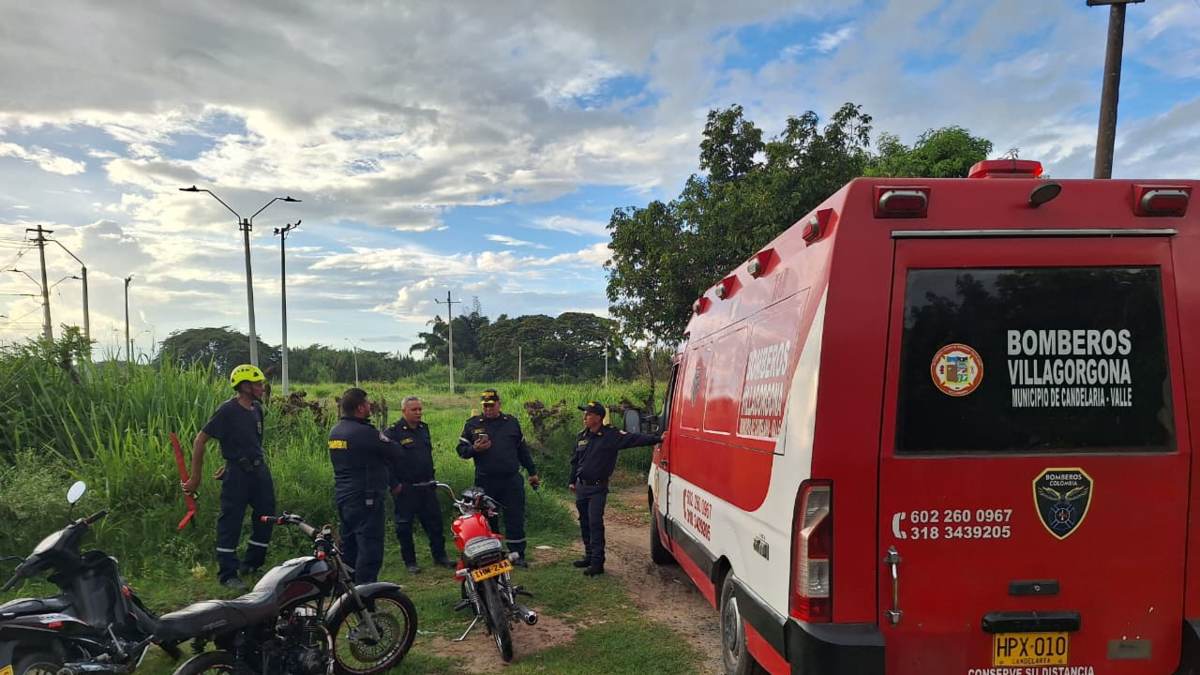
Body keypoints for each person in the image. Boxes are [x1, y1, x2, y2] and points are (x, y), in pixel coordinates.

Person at [183, 364, 277, 591]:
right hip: (238, 476)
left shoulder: (257, 409)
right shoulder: (227, 410)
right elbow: (200, 441)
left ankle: (252, 564)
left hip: (258, 470)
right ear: (244, 386)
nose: (262, 388)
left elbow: (253, 441)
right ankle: (228, 573)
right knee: (231, 520)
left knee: (266, 515)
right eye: (257, 384)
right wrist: (196, 477)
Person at [569, 401, 661, 576]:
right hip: (582, 486)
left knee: (595, 523)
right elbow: (575, 461)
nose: (584, 417)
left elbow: (635, 438)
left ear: (598, 417)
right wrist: (572, 481)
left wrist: (658, 438)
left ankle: (597, 562)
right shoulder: (582, 436)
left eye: (588, 414)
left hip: (597, 488)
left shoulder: (610, 435)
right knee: (585, 522)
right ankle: (589, 555)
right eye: (585, 414)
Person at [328, 388, 406, 584]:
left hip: (344, 497)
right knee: (370, 551)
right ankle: (365, 599)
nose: (370, 405)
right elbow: (396, 451)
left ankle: (345, 592)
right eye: (368, 403)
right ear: (360, 407)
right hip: (366, 499)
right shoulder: (365, 432)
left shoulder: (336, 431)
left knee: (349, 548)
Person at [456, 389, 539, 566]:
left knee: (514, 517)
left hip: (510, 480)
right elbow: (461, 451)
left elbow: (522, 451)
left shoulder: (511, 423)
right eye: (485, 406)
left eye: (491, 405)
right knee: (487, 519)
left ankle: (518, 555)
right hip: (486, 481)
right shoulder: (472, 424)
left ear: (499, 405)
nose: (488, 409)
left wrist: (532, 472)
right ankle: (492, 555)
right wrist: (474, 449)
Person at [384, 395, 455, 574]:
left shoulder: (424, 429)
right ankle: (410, 562)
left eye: (420, 409)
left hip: (427, 486)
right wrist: (394, 484)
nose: (418, 413)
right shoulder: (393, 432)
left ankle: (440, 556)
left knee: (435, 524)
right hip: (406, 488)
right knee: (404, 527)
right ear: (403, 411)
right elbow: (385, 462)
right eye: (414, 410)